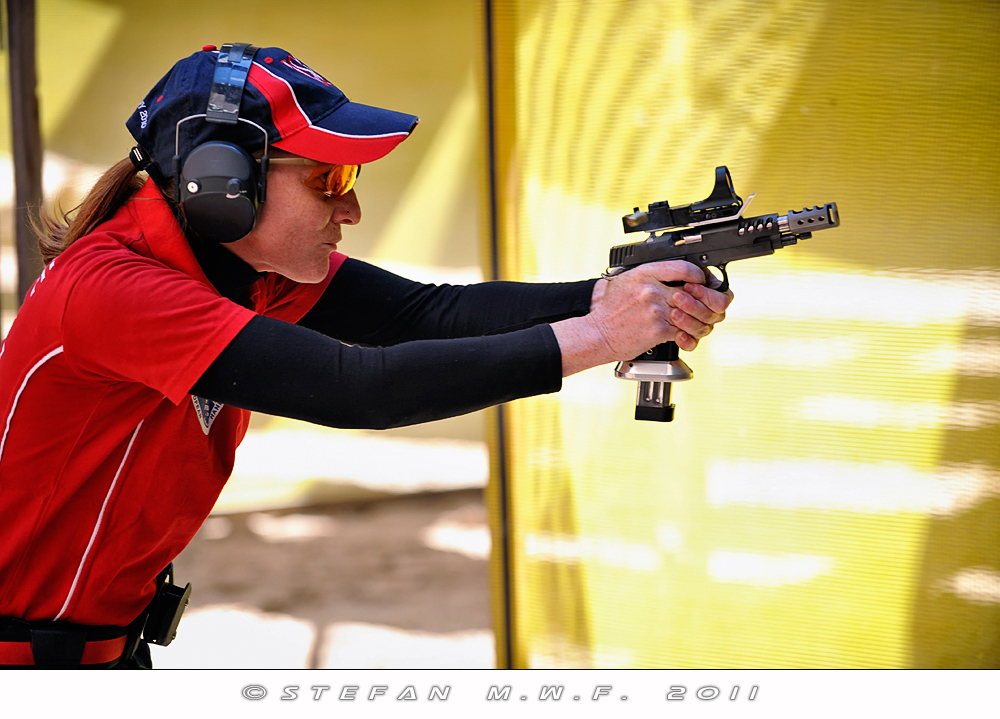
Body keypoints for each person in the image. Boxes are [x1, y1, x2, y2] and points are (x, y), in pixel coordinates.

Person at [0, 44, 732, 668]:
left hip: (92, 653)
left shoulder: (231, 265)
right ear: (223, 185)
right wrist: (606, 335)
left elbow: (422, 315)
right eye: (329, 180)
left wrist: (621, 294)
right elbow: (362, 390)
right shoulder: (118, 290)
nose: (349, 209)